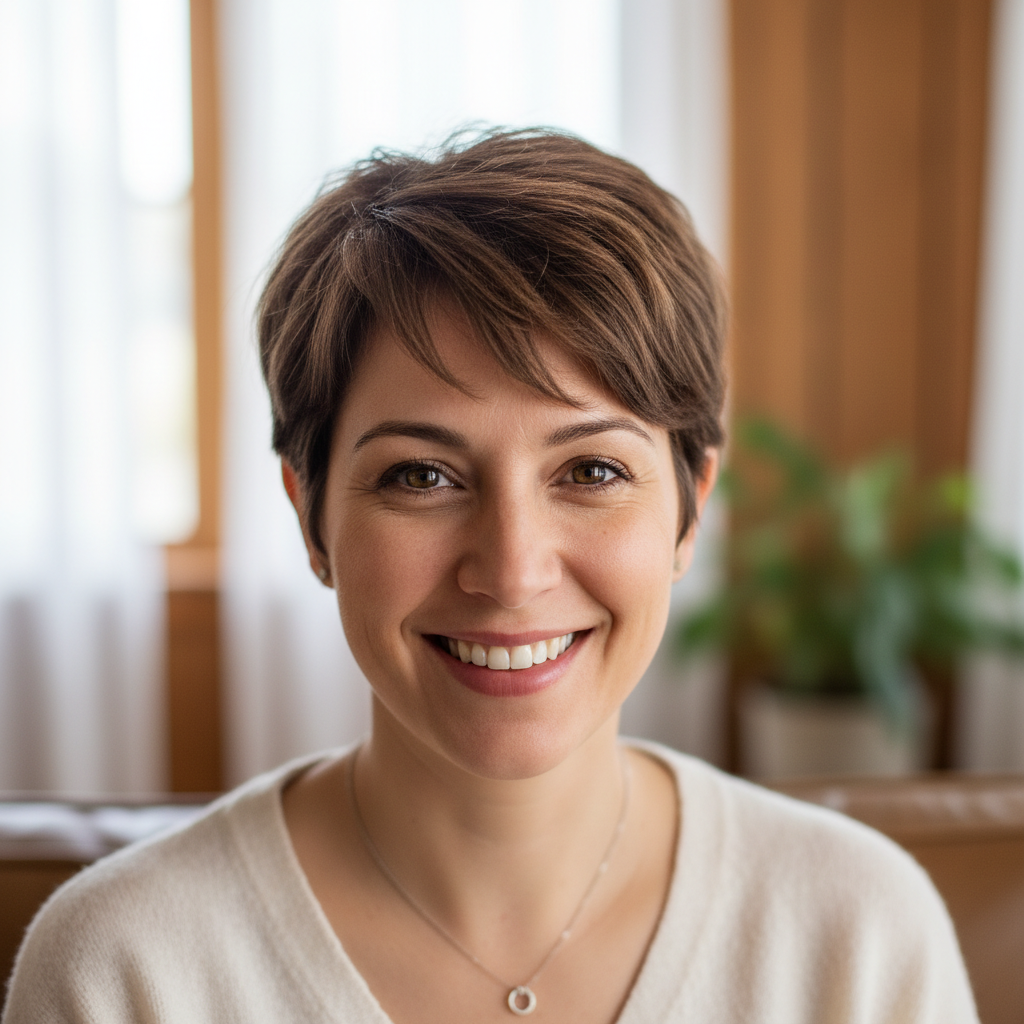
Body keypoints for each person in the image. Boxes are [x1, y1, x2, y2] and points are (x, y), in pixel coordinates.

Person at [3, 129, 976, 1024]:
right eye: (421, 476)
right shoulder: (125, 971)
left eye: (590, 471)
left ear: (689, 506)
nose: (512, 571)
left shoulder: (858, 934)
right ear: (310, 516)